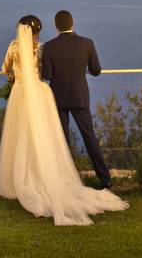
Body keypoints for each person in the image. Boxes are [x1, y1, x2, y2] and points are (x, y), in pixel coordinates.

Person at [0, 15, 127, 225]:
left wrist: (15, 78)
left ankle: (22, 178)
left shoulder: (20, 46)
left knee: (28, 136)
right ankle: (101, 177)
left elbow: (8, 69)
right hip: (54, 95)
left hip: (26, 95)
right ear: (71, 23)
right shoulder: (51, 47)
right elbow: (91, 70)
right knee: (70, 137)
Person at [40, 10, 111, 188]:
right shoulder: (87, 43)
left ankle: (65, 179)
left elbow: (46, 75)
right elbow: (96, 70)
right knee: (89, 137)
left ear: (56, 27)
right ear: (73, 24)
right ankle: (105, 178)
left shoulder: (49, 46)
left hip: (57, 98)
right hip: (80, 96)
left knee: (62, 139)